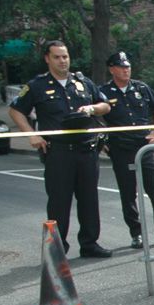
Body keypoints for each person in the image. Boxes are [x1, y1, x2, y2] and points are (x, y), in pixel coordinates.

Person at [9, 40, 113, 258]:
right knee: (59, 202)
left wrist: (92, 108)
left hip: (86, 149)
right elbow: (16, 111)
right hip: (58, 152)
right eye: (57, 57)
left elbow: (105, 104)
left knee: (89, 200)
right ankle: (57, 248)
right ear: (47, 58)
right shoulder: (37, 85)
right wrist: (31, 134)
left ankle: (90, 243)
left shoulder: (82, 81)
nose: (62, 61)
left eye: (65, 56)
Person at [100, 51, 154, 249]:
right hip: (122, 148)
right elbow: (95, 115)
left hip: (144, 147)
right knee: (129, 193)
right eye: (121, 67)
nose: (126, 70)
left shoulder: (141, 87)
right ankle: (136, 234)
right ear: (112, 69)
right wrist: (102, 139)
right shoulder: (103, 92)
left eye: (127, 66)